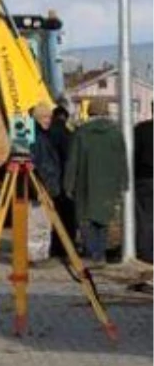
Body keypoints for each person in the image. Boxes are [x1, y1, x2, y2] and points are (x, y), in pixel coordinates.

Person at [64, 98, 127, 267]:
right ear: (106, 112)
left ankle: (92, 254)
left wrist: (68, 185)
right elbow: (122, 160)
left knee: (86, 219)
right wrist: (124, 183)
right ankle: (100, 254)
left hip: (85, 183)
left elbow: (73, 161)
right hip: (109, 184)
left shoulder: (82, 132)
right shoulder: (116, 133)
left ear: (90, 112)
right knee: (103, 219)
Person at [27, 103, 60, 263]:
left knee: (42, 223)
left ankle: (40, 254)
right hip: (40, 186)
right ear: (37, 118)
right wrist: (45, 188)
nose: (48, 120)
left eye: (49, 117)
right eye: (45, 117)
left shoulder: (39, 135)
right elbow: (42, 164)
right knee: (39, 223)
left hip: (42, 185)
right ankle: (37, 256)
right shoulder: (38, 137)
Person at [48, 104, 75, 258]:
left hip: (48, 179)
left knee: (49, 215)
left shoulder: (46, 133)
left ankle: (52, 248)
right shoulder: (68, 134)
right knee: (66, 215)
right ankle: (66, 247)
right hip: (64, 179)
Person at [133, 102, 154, 264]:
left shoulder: (141, 130)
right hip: (144, 178)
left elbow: (133, 155)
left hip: (144, 179)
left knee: (144, 218)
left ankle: (146, 253)